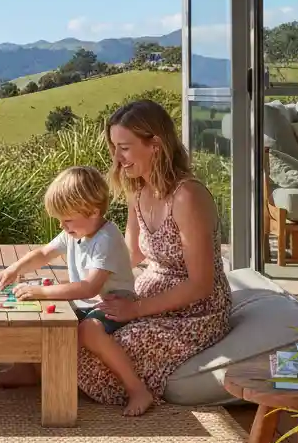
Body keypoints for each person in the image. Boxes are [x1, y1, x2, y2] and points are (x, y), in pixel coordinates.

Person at [76, 98, 232, 408]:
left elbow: (201, 284)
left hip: (196, 311)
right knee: (75, 327)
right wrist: (91, 284)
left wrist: (136, 311)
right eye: (114, 148)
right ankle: (35, 369)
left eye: (125, 147)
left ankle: (138, 392)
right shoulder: (138, 190)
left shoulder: (187, 196)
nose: (117, 158)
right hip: (148, 296)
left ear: (155, 144)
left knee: (113, 346)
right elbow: (129, 255)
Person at [0, 166, 154, 414]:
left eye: (67, 220)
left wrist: (42, 292)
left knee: (88, 330)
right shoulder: (76, 231)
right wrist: (14, 269)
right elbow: (44, 253)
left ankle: (137, 389)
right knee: (37, 313)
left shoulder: (106, 239)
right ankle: (26, 367)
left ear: (92, 212)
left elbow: (89, 288)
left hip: (113, 303)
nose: (63, 226)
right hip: (87, 303)